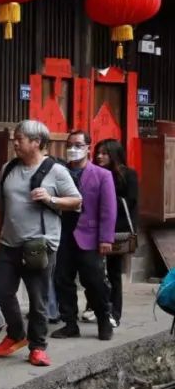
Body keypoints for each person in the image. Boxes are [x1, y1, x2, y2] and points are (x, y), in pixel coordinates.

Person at [0, 120, 82, 367]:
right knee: (1, 290)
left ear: (36, 142)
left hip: (39, 245)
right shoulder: (8, 168)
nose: (15, 143)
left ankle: (38, 346)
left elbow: (76, 201)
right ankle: (16, 333)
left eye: (19, 138)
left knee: (37, 298)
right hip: (9, 242)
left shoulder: (56, 171)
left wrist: (51, 198)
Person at [50, 131, 116, 340]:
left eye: (78, 144)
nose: (73, 149)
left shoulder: (102, 175)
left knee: (94, 281)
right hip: (63, 233)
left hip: (90, 235)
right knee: (62, 280)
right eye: (69, 145)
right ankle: (70, 322)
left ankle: (104, 320)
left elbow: (108, 209)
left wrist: (106, 238)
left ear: (88, 147)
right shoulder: (60, 172)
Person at [95, 139, 139, 326]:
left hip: (116, 230)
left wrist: (106, 200)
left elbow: (131, 201)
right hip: (94, 228)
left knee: (113, 272)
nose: (99, 156)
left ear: (114, 155)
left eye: (104, 153)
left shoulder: (128, 175)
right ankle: (96, 307)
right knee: (95, 272)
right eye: (98, 153)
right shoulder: (94, 173)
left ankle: (115, 312)